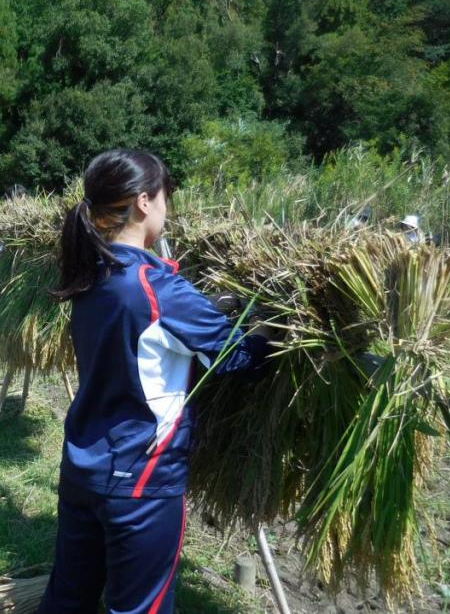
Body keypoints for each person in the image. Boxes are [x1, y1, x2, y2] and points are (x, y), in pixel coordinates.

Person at [37, 149, 272, 614]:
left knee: (69, 596)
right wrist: (266, 329)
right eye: (166, 198)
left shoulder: (91, 273)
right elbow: (239, 356)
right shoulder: (156, 288)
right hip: (141, 480)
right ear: (145, 202)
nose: (168, 209)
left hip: (83, 464)